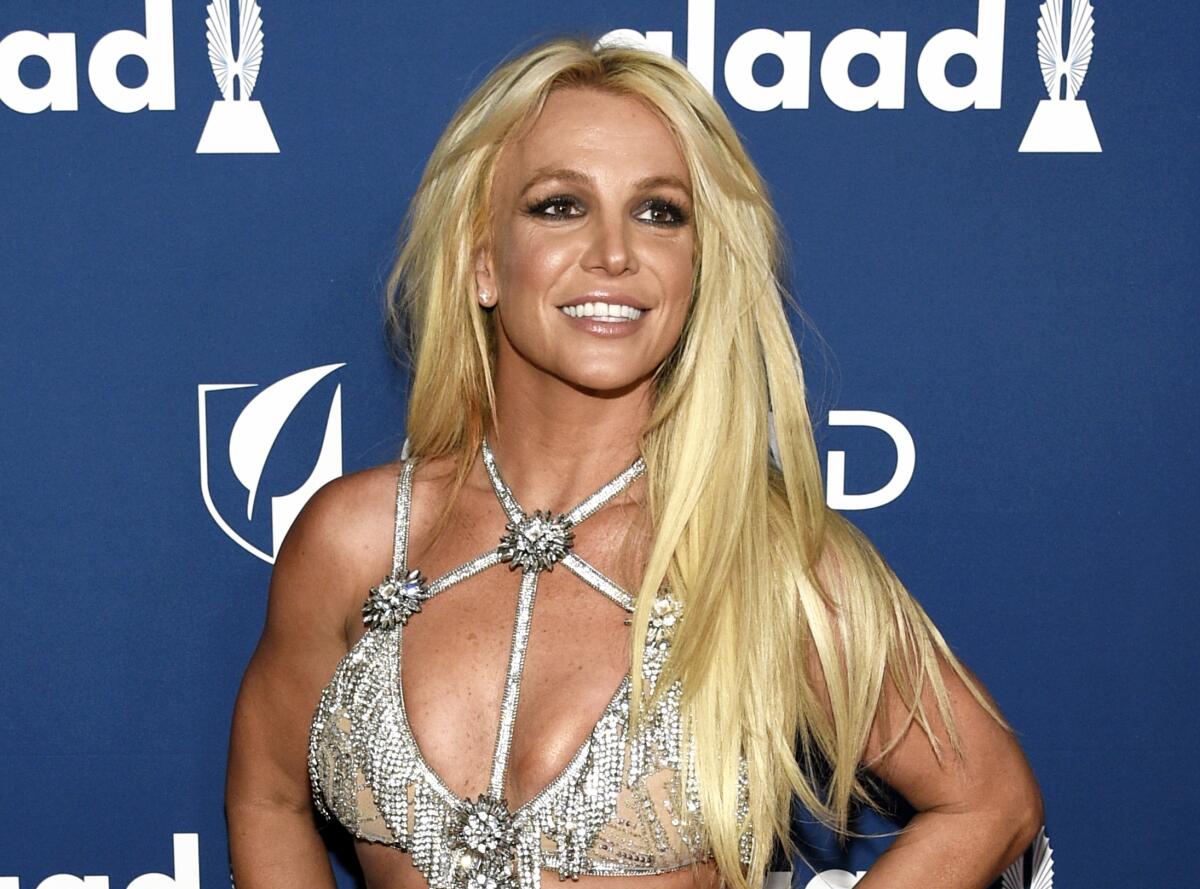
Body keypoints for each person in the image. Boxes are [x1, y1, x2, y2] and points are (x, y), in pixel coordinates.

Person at [225, 34, 1044, 889]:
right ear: (481, 260)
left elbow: (991, 797)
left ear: (697, 270)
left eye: (660, 211)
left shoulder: (764, 560)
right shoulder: (356, 539)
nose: (614, 251)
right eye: (558, 205)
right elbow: (267, 797)